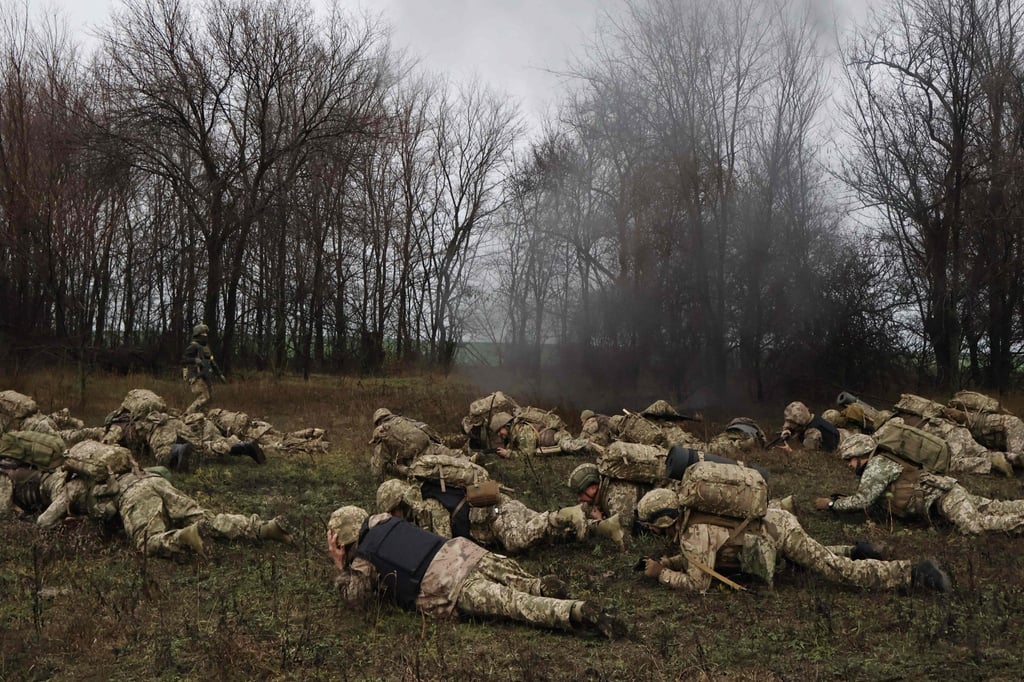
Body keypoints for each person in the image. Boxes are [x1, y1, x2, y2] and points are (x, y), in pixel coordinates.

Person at [325, 505, 626, 638]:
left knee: (516, 605)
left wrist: (341, 565)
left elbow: (357, 601)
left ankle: (574, 611)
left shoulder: (363, 559)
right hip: (466, 551)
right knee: (521, 584)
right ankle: (538, 585)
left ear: (344, 540)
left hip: (450, 584)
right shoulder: (383, 520)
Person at [634, 485, 950, 594]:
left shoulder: (692, 534)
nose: (652, 532)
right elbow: (706, 556)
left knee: (834, 570)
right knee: (816, 558)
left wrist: (662, 574)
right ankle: (857, 549)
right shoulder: (692, 516)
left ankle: (913, 573)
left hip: (779, 533)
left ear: (663, 523)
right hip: (774, 526)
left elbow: (698, 584)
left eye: (652, 527)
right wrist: (672, 561)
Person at [47, 439, 292, 558]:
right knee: (205, 516)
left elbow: (45, 521)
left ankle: (184, 537)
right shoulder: (110, 458)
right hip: (154, 480)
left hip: (133, 495)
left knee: (147, 541)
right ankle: (263, 528)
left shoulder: (71, 485)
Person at [814, 433, 1024, 536]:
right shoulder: (884, 460)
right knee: (995, 506)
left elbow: (862, 501)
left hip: (944, 498)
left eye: (850, 459)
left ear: (862, 454)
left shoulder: (877, 465)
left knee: (974, 526)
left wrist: (831, 505)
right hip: (947, 491)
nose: (849, 465)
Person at [375, 477, 624, 553]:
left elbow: (444, 545)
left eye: (392, 511)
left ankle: (565, 514)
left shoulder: (430, 507)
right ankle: (604, 527)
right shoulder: (422, 506)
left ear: (398, 505)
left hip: (497, 515)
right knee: (551, 537)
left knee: (517, 541)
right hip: (501, 510)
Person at [369, 408, 443, 481]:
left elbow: (377, 473)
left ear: (377, 423)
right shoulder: (407, 421)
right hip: (434, 452)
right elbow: (433, 435)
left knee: (393, 465)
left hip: (414, 467)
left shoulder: (383, 437)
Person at [490, 411, 593, 459]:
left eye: (499, 430)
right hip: (552, 445)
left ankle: (593, 445)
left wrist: (508, 454)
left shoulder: (522, 431)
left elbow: (528, 454)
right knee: (571, 454)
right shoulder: (514, 433)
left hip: (558, 437)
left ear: (507, 425)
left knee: (569, 446)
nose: (499, 434)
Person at [182, 323, 222, 414]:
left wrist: (219, 373)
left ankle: (202, 417)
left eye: (206, 333)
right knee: (204, 397)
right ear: (198, 334)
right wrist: (194, 360)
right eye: (203, 333)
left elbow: (211, 360)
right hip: (196, 376)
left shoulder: (206, 348)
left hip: (206, 375)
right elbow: (183, 359)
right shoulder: (193, 346)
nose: (205, 335)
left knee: (209, 399)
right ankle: (187, 415)